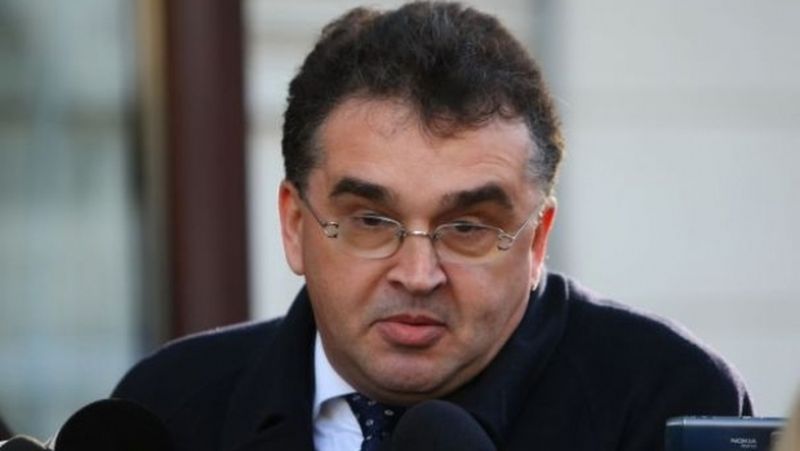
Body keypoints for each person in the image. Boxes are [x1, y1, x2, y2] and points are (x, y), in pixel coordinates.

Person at [112, 2, 752, 450]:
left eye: (468, 228)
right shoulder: (169, 408)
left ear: (537, 240)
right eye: (371, 221)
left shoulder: (665, 400)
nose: (419, 275)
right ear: (294, 225)